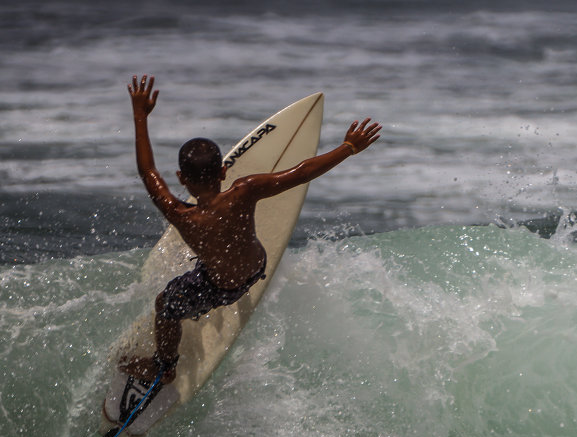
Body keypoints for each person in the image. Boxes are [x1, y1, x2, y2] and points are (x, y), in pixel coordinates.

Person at [121, 75, 382, 384]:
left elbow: (148, 171)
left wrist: (140, 115)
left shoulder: (178, 212)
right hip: (257, 267)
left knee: (165, 303)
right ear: (222, 171)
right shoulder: (245, 191)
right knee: (212, 258)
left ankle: (163, 368)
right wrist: (348, 147)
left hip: (219, 288)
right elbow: (301, 173)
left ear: (181, 177)